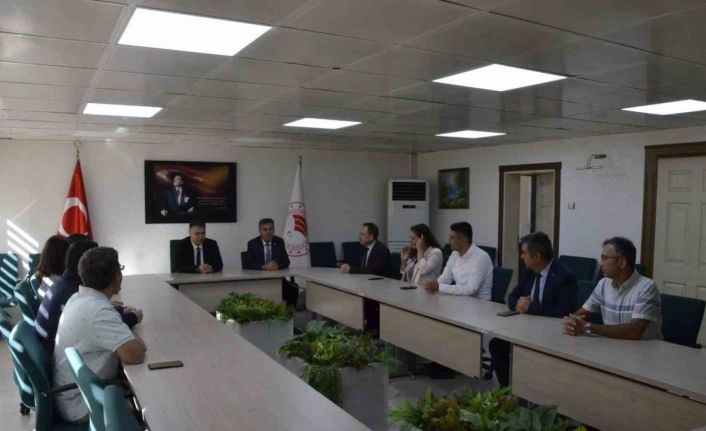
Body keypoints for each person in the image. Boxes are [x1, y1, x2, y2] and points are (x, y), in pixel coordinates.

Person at [53, 247, 147, 423]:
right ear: (116, 276)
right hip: (82, 404)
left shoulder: (77, 298)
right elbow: (135, 355)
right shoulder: (98, 311)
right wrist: (135, 339)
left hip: (74, 393)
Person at [489, 231, 577, 386]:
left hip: (551, 335)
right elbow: (513, 296)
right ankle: (507, 388)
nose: (521, 257)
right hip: (527, 327)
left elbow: (564, 311)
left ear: (536, 257)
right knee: (496, 344)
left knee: (526, 353)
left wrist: (531, 308)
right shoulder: (530, 271)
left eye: (524, 253)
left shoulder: (564, 276)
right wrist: (519, 304)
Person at [34, 240, 142, 354]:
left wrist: (117, 311)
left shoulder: (68, 286)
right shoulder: (73, 293)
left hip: (53, 347)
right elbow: (102, 324)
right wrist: (133, 317)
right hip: (51, 351)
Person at [563, 237, 662, 340]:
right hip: (612, 345)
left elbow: (634, 331)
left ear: (622, 262)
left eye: (604, 258)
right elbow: (582, 313)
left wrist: (588, 327)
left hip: (644, 348)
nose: (601, 264)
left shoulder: (647, 287)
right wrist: (572, 321)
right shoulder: (603, 284)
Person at [424, 222, 493, 299]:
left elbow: (471, 289)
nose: (449, 241)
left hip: (479, 302)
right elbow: (446, 278)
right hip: (461, 299)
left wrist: (440, 287)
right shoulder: (454, 254)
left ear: (464, 239)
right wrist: (435, 284)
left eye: (452, 238)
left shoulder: (481, 257)